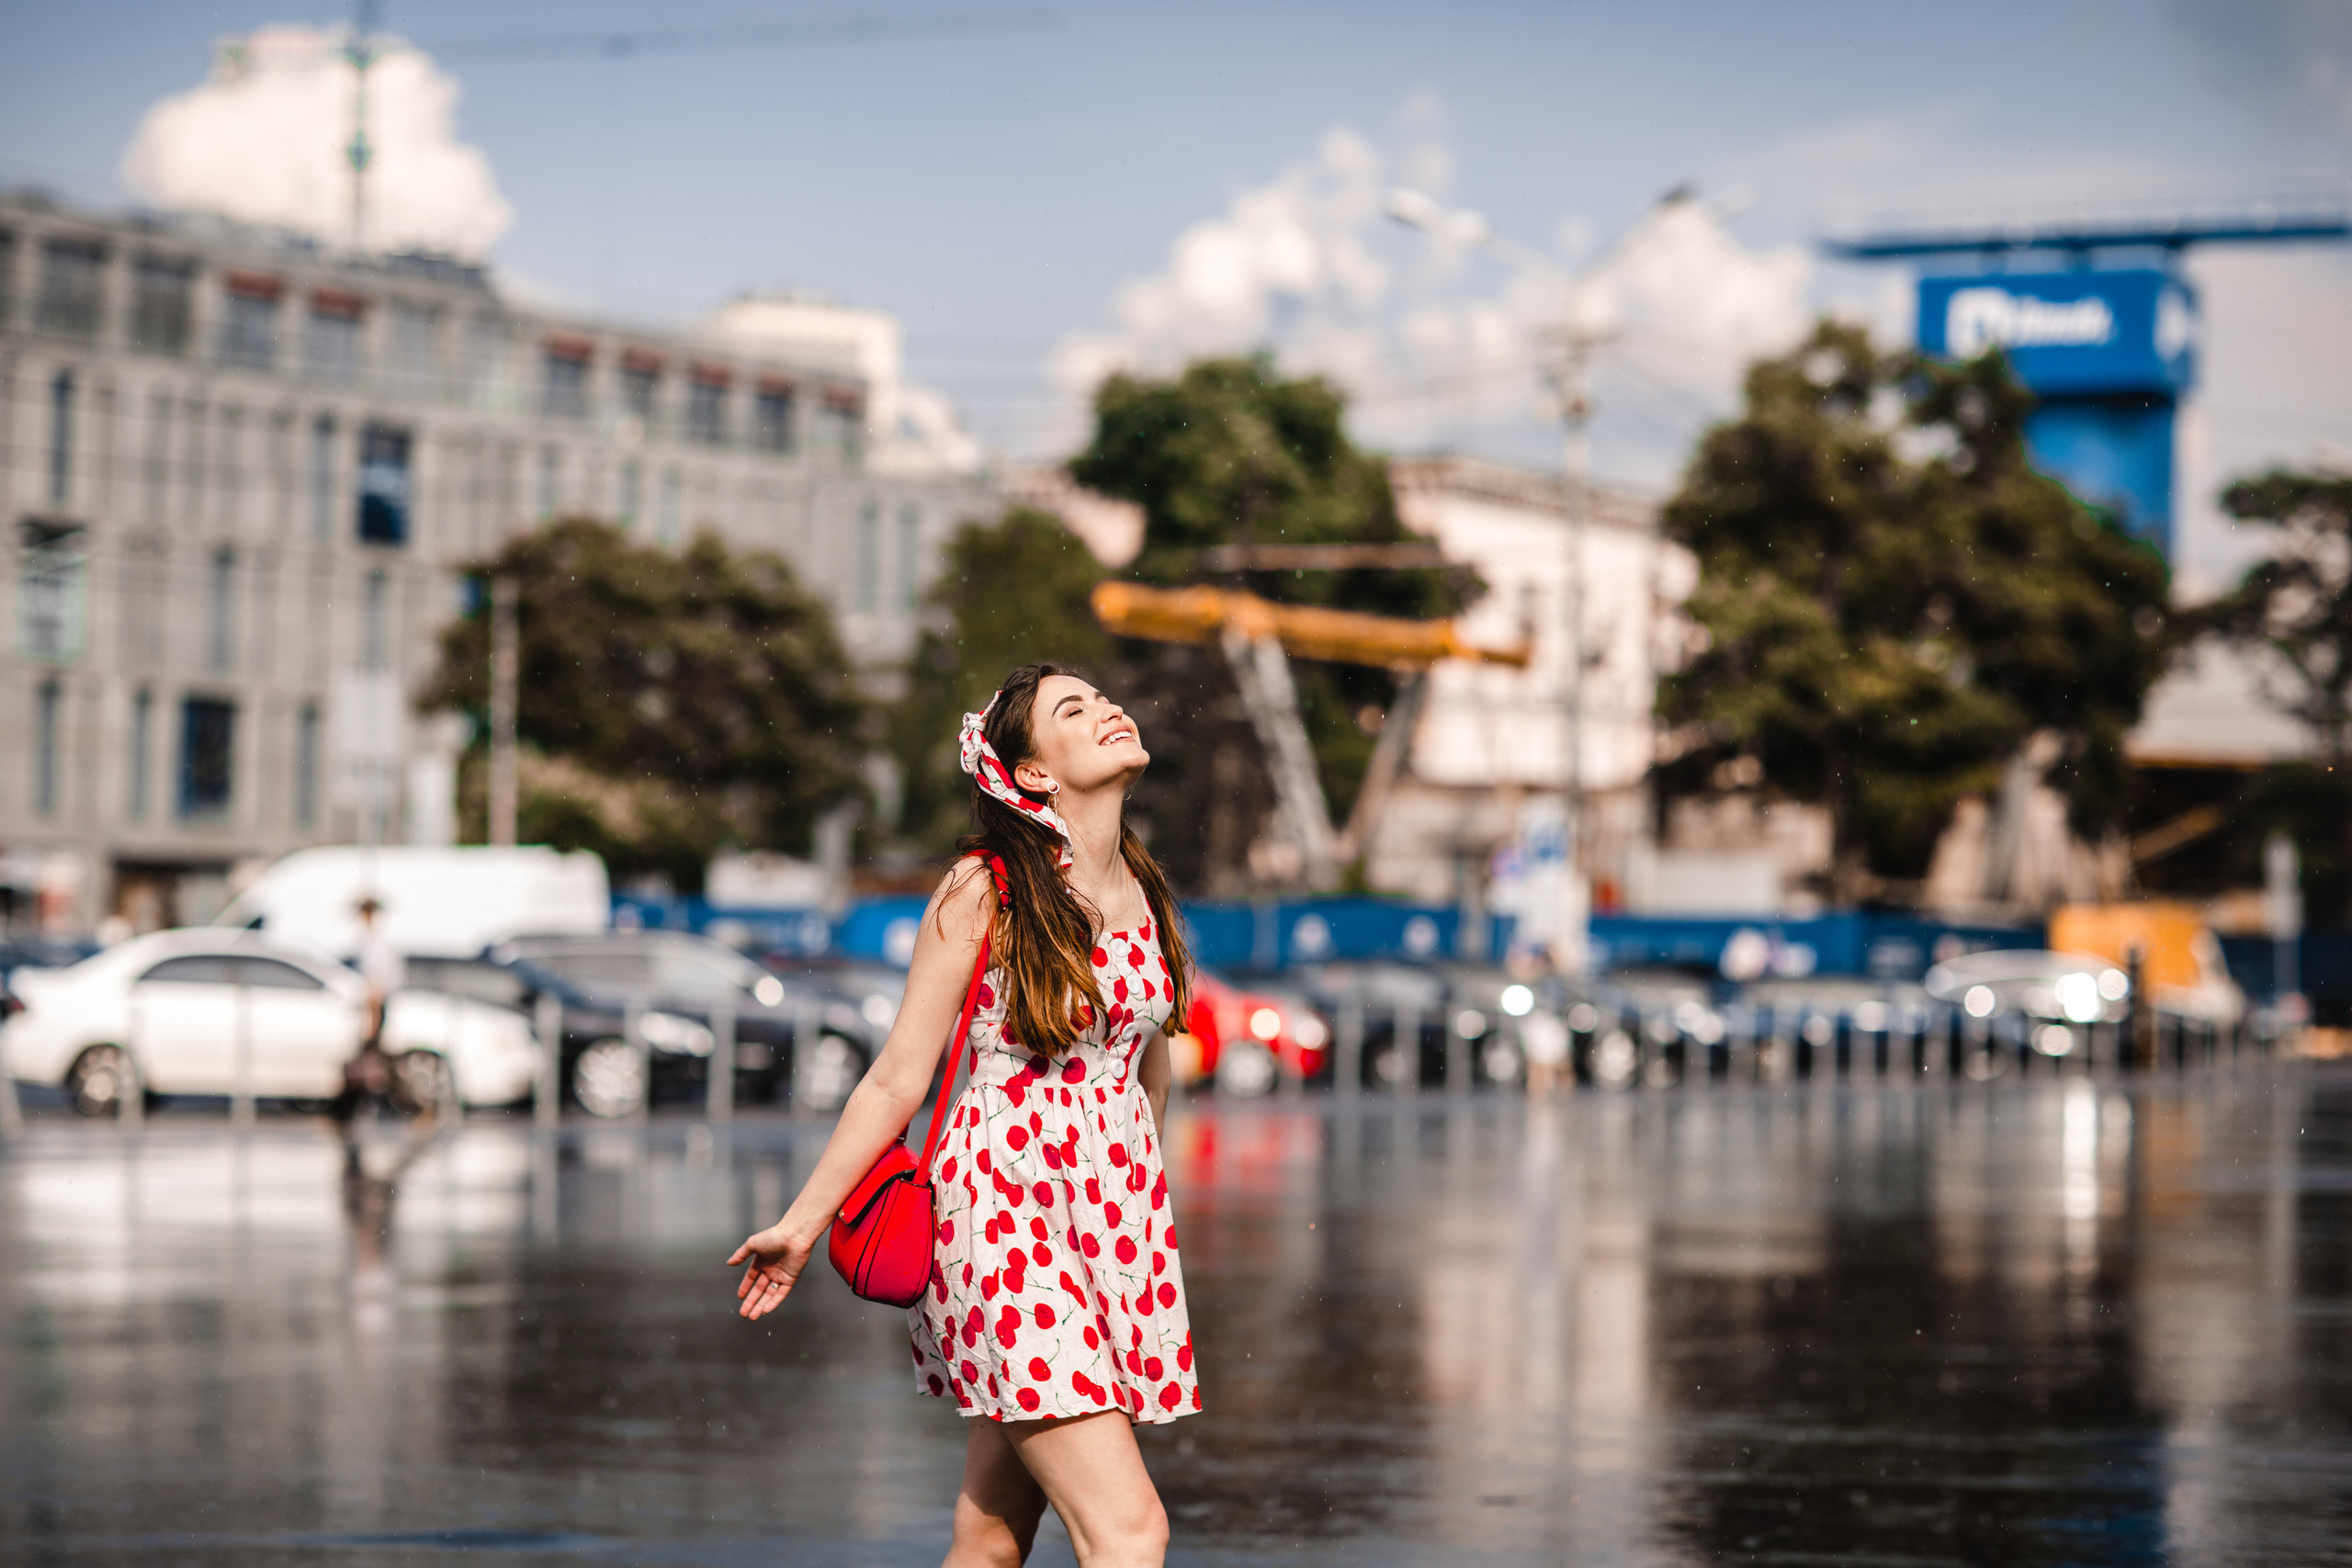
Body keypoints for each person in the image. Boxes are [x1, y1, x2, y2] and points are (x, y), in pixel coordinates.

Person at [729, 664, 1198, 1568]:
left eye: (1104, 698)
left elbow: (1152, 1069)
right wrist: (800, 1225)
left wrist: (1147, 1216)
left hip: (1107, 1226)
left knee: (989, 1540)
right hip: (1003, 1222)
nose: (1108, 710)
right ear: (1032, 773)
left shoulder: (1146, 889)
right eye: (1074, 709)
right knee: (1130, 1531)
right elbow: (897, 1078)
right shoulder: (983, 889)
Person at [331, 896, 404, 1131]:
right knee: (371, 1061)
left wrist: (370, 1019)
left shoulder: (375, 945)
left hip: (375, 1007)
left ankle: (356, 1110)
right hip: (375, 1007)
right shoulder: (375, 943)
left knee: (368, 1061)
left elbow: (376, 985)